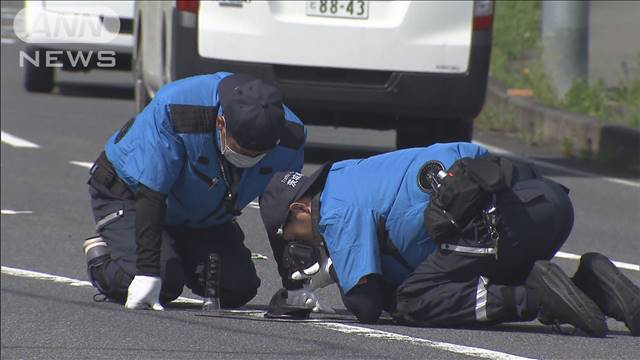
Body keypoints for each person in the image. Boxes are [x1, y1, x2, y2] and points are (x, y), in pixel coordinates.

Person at [259, 142, 640, 337]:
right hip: (547, 203)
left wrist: (333, 270)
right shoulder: (349, 172)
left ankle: (538, 297)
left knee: (411, 300)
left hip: (503, 225)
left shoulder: (336, 210)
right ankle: (593, 285)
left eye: (292, 237)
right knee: (441, 272)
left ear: (300, 209)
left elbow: (366, 305)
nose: (301, 246)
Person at [83, 72, 306, 310]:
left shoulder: (292, 136)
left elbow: (282, 210)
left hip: (201, 211)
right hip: (132, 195)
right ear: (221, 124)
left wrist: (294, 285)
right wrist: (148, 271)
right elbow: (152, 191)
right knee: (163, 283)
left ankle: (172, 251)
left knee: (236, 289)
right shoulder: (177, 107)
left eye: (258, 155)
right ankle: (101, 256)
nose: (248, 159)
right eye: (240, 150)